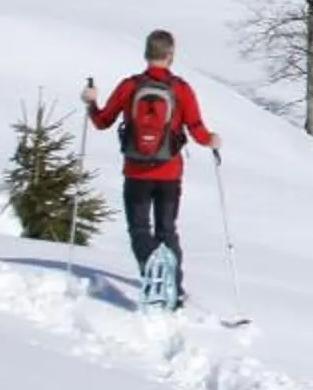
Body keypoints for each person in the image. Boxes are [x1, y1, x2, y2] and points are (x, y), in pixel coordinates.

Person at [84, 29, 218, 299]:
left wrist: (90, 103)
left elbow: (102, 122)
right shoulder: (180, 89)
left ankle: (152, 272)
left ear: (147, 54)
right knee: (167, 229)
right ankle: (174, 290)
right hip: (169, 172)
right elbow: (196, 128)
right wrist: (212, 141)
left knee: (139, 229)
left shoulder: (130, 86)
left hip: (136, 172)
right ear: (171, 55)